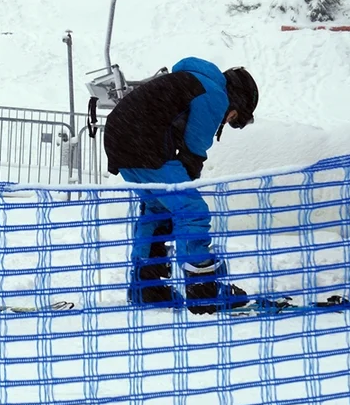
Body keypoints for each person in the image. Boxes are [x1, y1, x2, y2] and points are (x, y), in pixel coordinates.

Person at [104, 57, 258, 315]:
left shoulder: (191, 80)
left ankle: (148, 288)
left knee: (158, 209)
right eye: (234, 117)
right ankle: (203, 293)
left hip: (120, 141)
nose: (228, 119)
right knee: (192, 211)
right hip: (146, 145)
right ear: (237, 100)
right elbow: (194, 145)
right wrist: (189, 176)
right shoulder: (214, 93)